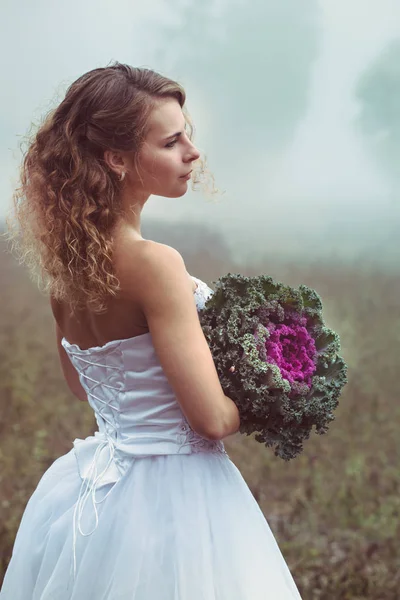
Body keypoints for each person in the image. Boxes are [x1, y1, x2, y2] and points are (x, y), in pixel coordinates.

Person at [0, 62, 302, 599]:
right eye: (171, 141)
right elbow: (210, 420)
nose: (192, 152)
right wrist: (273, 388)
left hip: (97, 489)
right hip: (178, 497)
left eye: (188, 135)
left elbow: (82, 385)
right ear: (116, 159)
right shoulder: (155, 264)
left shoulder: (69, 267)